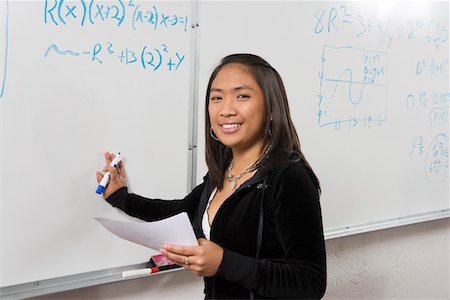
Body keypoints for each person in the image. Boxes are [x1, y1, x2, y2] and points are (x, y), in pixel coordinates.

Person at [96, 53, 326, 299]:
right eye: (217, 98)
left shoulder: (289, 178)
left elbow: (310, 282)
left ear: (271, 109)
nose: (226, 110)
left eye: (242, 96)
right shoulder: (223, 171)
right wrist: (120, 197)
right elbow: (183, 211)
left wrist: (223, 262)